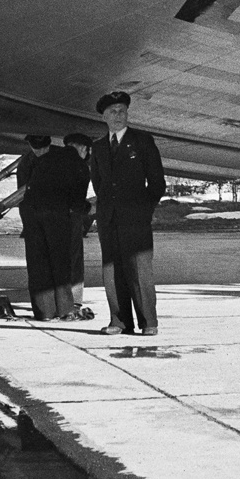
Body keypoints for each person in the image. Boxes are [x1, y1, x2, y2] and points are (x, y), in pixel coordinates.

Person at [87, 91, 164, 335]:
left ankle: (148, 323)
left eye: (121, 110)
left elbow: (157, 182)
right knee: (112, 270)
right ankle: (119, 321)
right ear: (104, 117)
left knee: (139, 270)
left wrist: (144, 209)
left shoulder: (142, 140)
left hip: (135, 218)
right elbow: (98, 182)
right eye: (112, 112)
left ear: (127, 113)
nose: (117, 115)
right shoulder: (98, 146)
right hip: (109, 218)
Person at [17, 135, 88, 321]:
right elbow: (77, 198)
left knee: (38, 265)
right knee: (60, 264)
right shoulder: (77, 163)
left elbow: (26, 192)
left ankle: (45, 312)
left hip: (34, 218)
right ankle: (65, 310)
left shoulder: (35, 160)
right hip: (56, 218)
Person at [63, 132, 96, 318]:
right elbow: (76, 199)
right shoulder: (81, 168)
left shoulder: (56, 164)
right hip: (71, 217)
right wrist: (89, 208)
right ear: (83, 149)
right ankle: (74, 301)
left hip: (55, 219)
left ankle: (59, 299)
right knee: (74, 260)